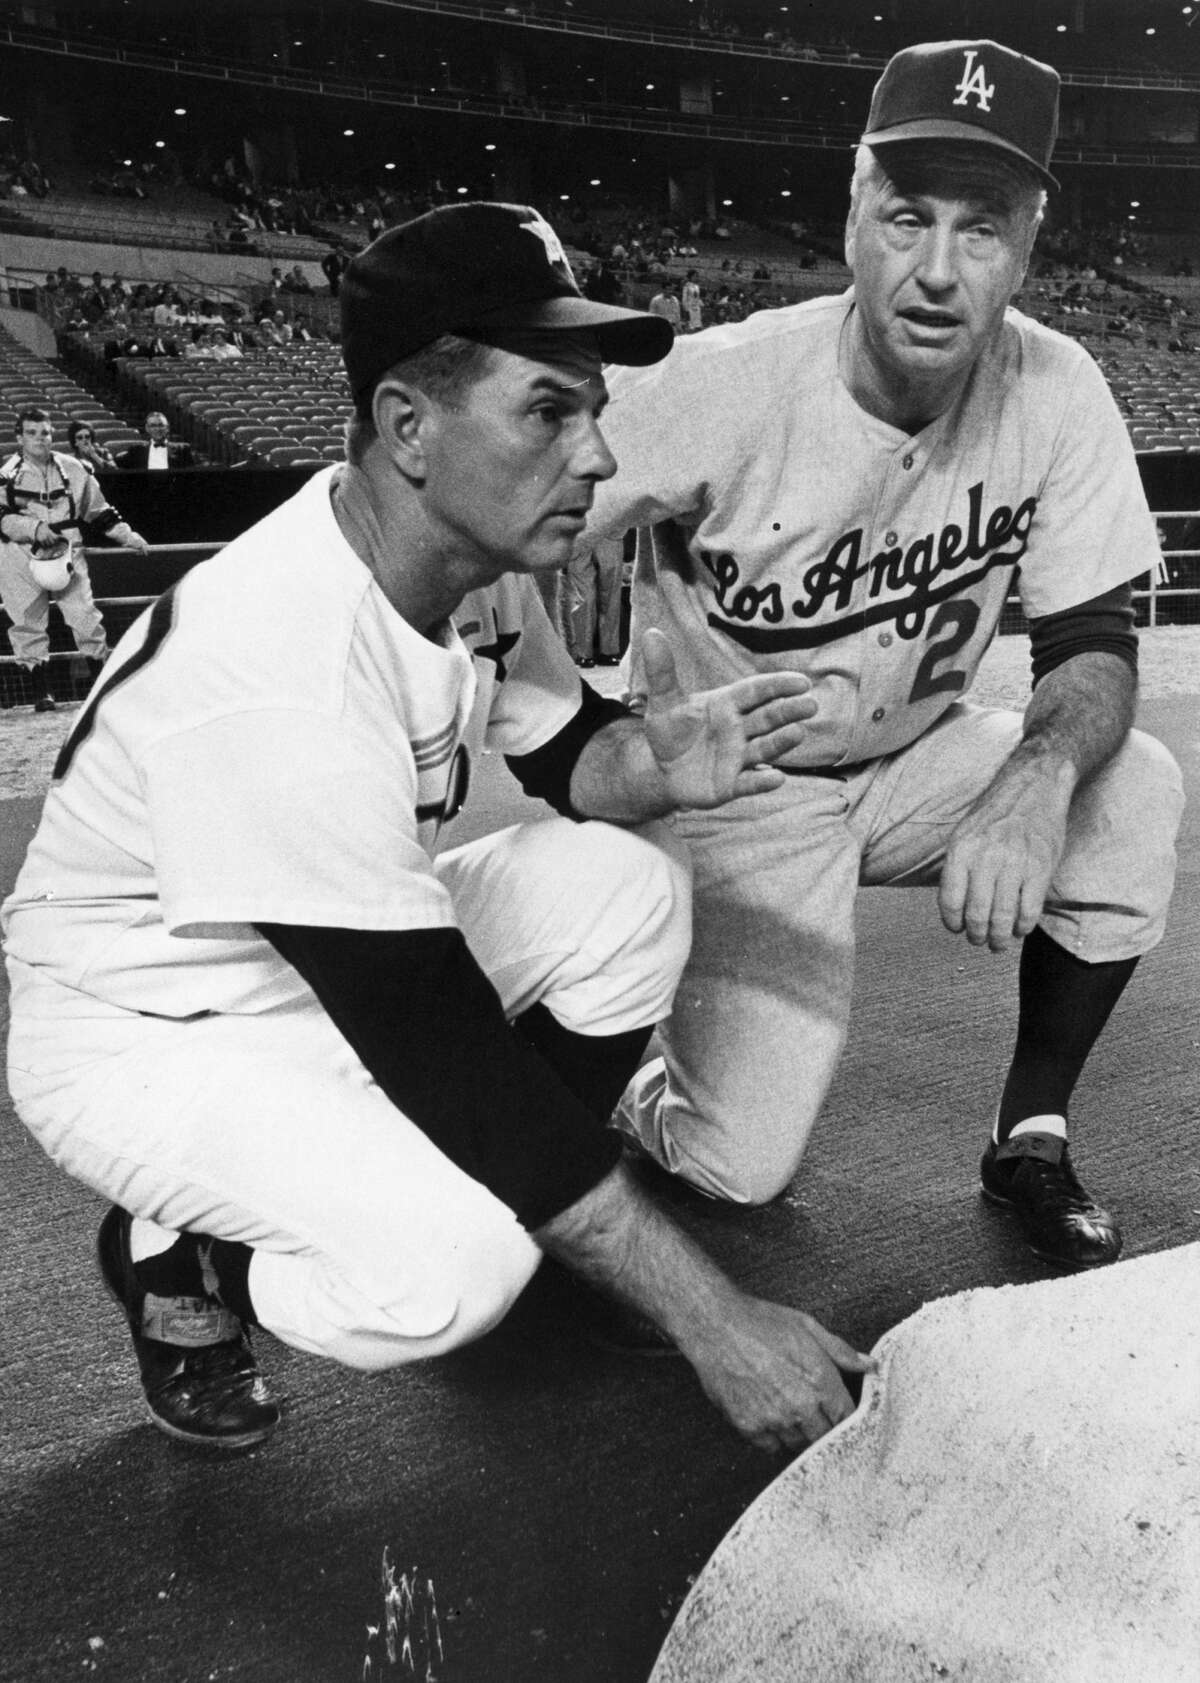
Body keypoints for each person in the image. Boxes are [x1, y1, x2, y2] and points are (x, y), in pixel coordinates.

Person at [2, 202, 874, 1458]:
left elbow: (571, 762)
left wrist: (656, 763)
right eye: (547, 410)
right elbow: (436, 1042)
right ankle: (182, 1259)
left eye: (595, 410)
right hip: (149, 1024)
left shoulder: (467, 559)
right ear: (410, 427)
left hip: (309, 957)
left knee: (628, 885)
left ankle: (539, 1227)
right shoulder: (279, 655)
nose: (593, 455)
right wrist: (716, 1320)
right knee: (449, 1274)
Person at [583, 41, 1185, 1269]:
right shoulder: (722, 384)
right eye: (908, 217)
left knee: (1132, 785)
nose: (936, 270)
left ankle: (1031, 1132)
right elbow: (492, 519)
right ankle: (601, 1062)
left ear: (1027, 245)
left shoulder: (1057, 390)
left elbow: (1090, 643)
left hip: (915, 763)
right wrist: (568, 740)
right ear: (853, 210)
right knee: (737, 1167)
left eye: (982, 230)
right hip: (739, 791)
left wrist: (1036, 774)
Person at [0, 408, 148, 712]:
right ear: (20, 437)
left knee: (84, 616)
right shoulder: (6, 474)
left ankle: (98, 690)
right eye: (32, 433)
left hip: (68, 551)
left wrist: (128, 536)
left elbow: (99, 510)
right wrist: (32, 528)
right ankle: (42, 694)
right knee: (27, 621)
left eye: (45, 432)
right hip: (20, 554)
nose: (40, 439)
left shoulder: (75, 469)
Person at [564, 531, 625, 667]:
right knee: (586, 596)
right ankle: (587, 653)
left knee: (609, 595)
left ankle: (605, 652)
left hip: (608, 529)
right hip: (581, 532)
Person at [115, 413, 196, 471]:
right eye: (153, 426)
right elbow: (114, 464)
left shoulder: (182, 449)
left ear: (167, 428)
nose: (157, 429)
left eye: (161, 425)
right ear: (147, 428)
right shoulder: (136, 450)